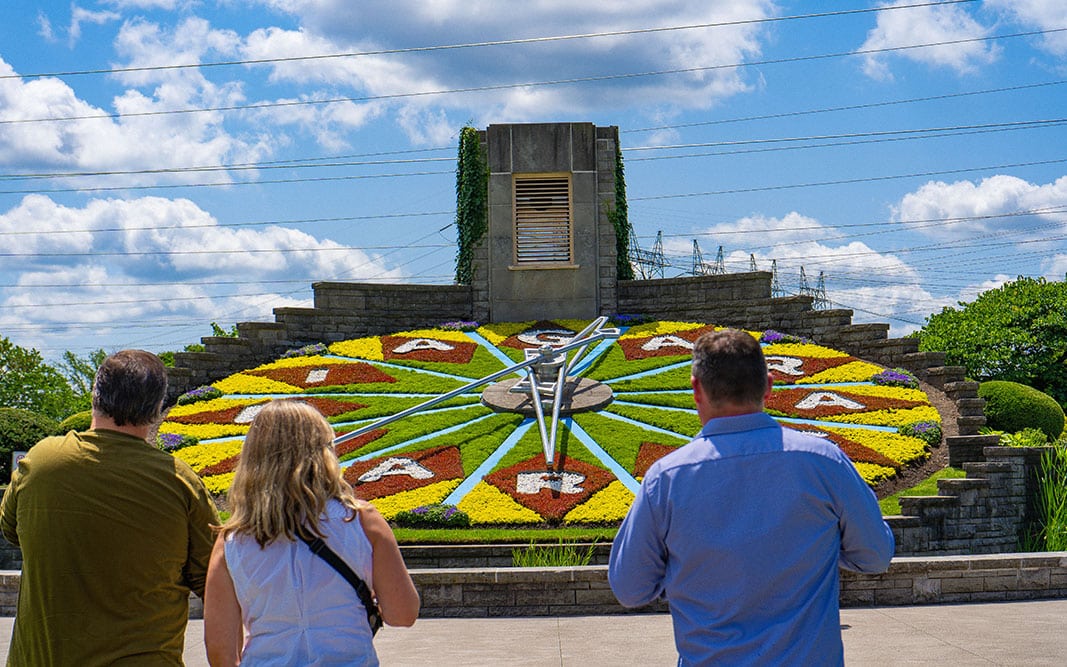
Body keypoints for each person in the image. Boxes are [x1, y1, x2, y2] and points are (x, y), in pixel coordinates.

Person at [608, 329, 895, 666]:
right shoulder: (824, 461)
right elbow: (875, 556)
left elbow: (630, 589)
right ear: (769, 385)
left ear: (696, 389)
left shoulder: (666, 479)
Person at [0, 349, 220, 666]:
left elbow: (10, 529)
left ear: (95, 394)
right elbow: (215, 580)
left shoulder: (40, 462)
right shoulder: (179, 482)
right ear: (158, 408)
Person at [203, 399, 419, 666]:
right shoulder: (363, 521)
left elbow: (219, 651)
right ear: (324, 452)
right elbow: (403, 614)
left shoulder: (231, 541)